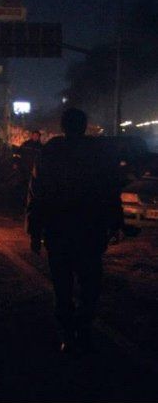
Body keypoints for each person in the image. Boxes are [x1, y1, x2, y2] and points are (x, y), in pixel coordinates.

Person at [26, 108, 123, 354]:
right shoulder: (98, 153)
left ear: (63, 126)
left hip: (58, 229)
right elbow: (111, 191)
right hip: (90, 230)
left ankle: (68, 334)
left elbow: (37, 194)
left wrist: (34, 231)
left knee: (63, 286)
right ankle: (83, 327)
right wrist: (115, 222)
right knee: (90, 284)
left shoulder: (50, 152)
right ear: (84, 125)